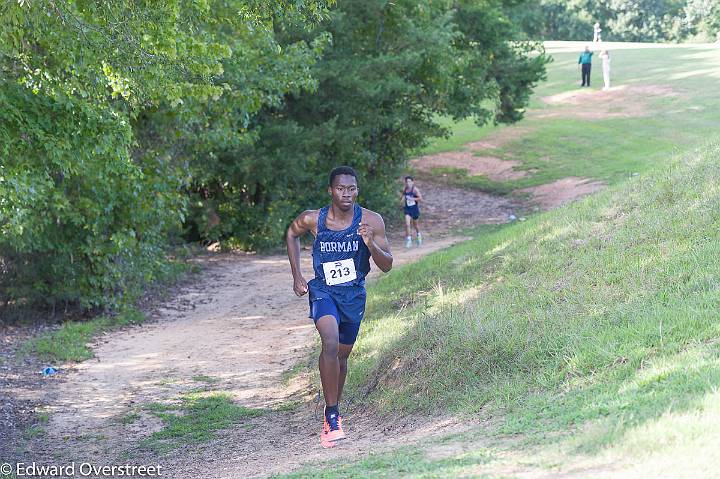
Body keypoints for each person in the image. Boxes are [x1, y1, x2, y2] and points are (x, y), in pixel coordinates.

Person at [286, 166, 393, 448]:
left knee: (342, 357)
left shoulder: (371, 220)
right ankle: (333, 416)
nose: (346, 194)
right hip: (323, 290)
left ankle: (331, 409)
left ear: (357, 190)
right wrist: (297, 274)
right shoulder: (313, 219)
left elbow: (387, 265)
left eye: (352, 188)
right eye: (340, 189)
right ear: (330, 191)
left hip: (353, 295)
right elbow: (291, 233)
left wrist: (370, 243)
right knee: (330, 343)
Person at [399, 176, 423, 248]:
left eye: (409, 181)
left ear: (412, 182)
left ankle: (418, 235)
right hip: (407, 209)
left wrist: (412, 198)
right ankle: (409, 240)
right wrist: (402, 200)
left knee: (415, 225)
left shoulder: (415, 190)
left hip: (414, 209)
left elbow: (420, 199)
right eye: (406, 182)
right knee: (407, 224)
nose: (408, 183)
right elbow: (403, 197)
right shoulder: (405, 189)